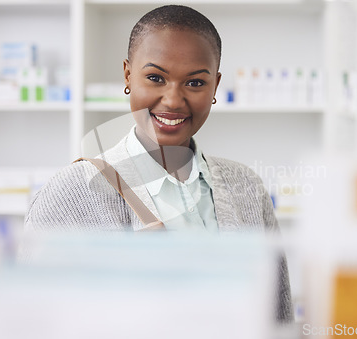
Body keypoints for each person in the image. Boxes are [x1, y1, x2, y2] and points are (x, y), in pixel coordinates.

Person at [24, 5, 293, 322]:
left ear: (216, 86)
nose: (173, 100)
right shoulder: (71, 194)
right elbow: (32, 321)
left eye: (194, 83)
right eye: (155, 78)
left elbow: (278, 314)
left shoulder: (245, 185)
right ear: (127, 74)